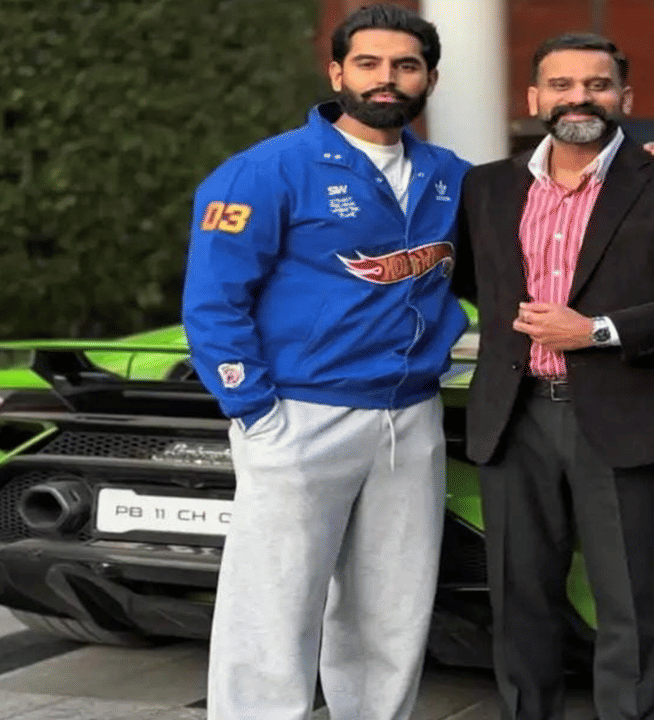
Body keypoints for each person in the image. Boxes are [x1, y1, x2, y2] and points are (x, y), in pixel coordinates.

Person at [452, 32, 654, 720]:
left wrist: (596, 331)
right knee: (518, 602)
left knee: (627, 604)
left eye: (597, 84)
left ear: (625, 97)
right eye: (561, 85)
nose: (579, 98)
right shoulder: (486, 186)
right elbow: (474, 280)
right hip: (514, 416)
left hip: (624, 415)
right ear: (535, 97)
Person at [181, 5, 469, 719]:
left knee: (392, 610)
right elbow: (214, 302)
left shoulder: (452, 176)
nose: (386, 78)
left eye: (405, 65)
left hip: (411, 416)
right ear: (338, 72)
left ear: (429, 79)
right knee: (273, 608)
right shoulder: (266, 169)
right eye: (368, 63)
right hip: (301, 414)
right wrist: (255, 412)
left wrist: (639, 170)